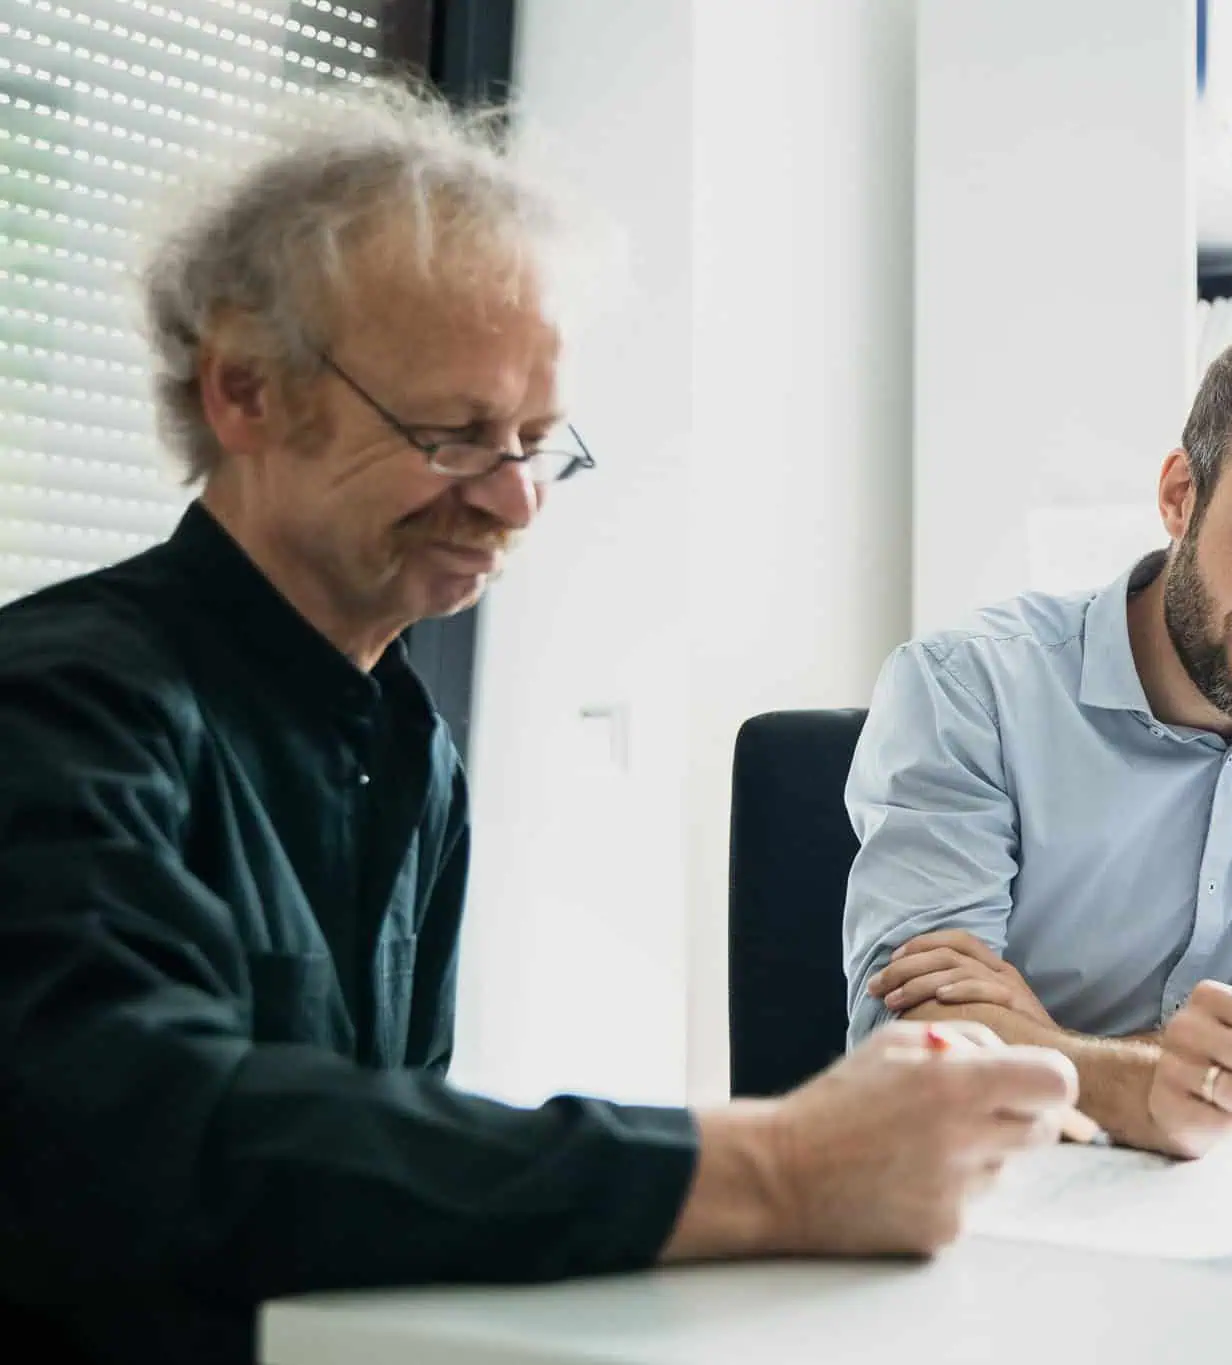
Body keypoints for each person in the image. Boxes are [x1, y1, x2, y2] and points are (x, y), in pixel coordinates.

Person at [0, 85, 1079, 1365]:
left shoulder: (407, 749)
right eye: (453, 437)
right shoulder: (59, 709)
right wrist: (773, 1169)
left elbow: (368, 1168)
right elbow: (155, 1148)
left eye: (536, 440)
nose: (513, 501)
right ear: (244, 393)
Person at [843, 317, 1232, 1158]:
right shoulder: (967, 687)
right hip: (987, 1201)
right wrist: (1155, 1081)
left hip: (1213, 1197)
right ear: (1179, 497)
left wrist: (1043, 1041)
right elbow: (914, 1036)